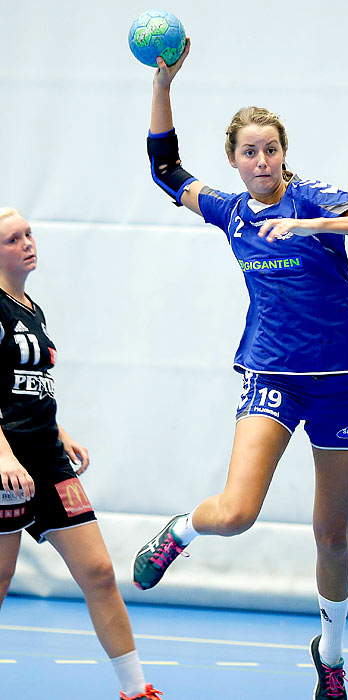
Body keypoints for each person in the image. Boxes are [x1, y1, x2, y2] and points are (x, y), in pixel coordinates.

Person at [130, 40, 348, 700]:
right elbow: (166, 170)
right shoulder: (230, 212)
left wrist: (312, 228)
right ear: (234, 159)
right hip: (272, 375)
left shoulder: (315, 198)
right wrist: (164, 83)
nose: (261, 161)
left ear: (283, 154)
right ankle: (181, 532)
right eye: (249, 152)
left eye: (270, 150)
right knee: (237, 512)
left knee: (332, 537)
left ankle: (330, 659)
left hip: (340, 382)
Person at [0, 208, 163, 700]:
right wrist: (4, 456)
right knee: (1, 578)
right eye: (13, 238)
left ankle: (136, 691)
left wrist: (61, 431)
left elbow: (25, 387)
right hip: (7, 466)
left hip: (47, 460)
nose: (28, 243)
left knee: (98, 572)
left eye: (29, 234)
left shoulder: (31, 307)